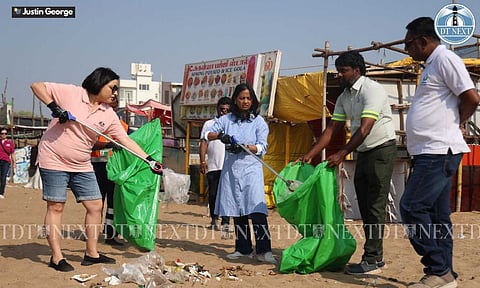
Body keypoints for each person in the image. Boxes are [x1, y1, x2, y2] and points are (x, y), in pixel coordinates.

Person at [30, 67, 163, 272]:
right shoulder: (73, 93)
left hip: (81, 163)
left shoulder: (108, 114)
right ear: (99, 83)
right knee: (56, 207)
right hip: (53, 158)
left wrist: (149, 160)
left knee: (95, 206)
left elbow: (124, 140)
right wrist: (55, 108)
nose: (115, 93)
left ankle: (91, 253)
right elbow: (37, 86)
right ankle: (56, 257)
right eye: (113, 88)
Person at [298, 51, 397, 275]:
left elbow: (365, 128)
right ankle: (375, 257)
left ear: (357, 71)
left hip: (381, 150)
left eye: (343, 71)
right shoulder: (344, 97)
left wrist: (342, 153)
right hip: (363, 151)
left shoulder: (372, 90)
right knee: (365, 203)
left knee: (375, 204)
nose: (339, 75)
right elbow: (331, 129)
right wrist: (310, 154)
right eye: (339, 70)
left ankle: (372, 259)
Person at [400, 17, 480, 288]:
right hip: (428, 150)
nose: (407, 49)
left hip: (438, 149)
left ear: (423, 41)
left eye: (408, 44)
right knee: (436, 215)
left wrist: (456, 123)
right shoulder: (431, 65)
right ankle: (445, 276)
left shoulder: (445, 59)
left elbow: (471, 97)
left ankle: (438, 268)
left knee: (410, 207)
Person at [205, 83, 277, 264]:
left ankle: (264, 250)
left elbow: (262, 146)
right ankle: (243, 248)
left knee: (257, 210)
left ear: (253, 101)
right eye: (241, 98)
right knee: (238, 210)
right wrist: (221, 136)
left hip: (251, 170)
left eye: (248, 98)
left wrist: (246, 147)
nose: (245, 101)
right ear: (235, 100)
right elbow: (207, 133)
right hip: (231, 171)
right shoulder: (227, 119)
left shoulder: (258, 122)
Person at [91, 97, 129, 246]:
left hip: (114, 169)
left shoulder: (123, 126)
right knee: (95, 203)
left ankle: (110, 235)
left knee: (113, 204)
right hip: (97, 166)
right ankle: (92, 233)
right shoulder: (95, 122)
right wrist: (109, 144)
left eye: (112, 105)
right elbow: (91, 144)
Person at [199, 97, 232, 234]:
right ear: (217, 109)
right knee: (213, 194)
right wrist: (202, 161)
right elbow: (203, 142)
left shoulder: (233, 124)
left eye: (227, 110)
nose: (224, 112)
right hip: (213, 165)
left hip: (229, 166)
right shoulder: (209, 124)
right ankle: (214, 219)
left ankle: (226, 222)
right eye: (222, 109)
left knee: (227, 195)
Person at [0, 127, 16, 199]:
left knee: (3, 177)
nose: (4, 135)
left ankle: (1, 192)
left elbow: (12, 153)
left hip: (6, 162)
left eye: (5, 133)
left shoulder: (10, 143)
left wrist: (14, 163)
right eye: (2, 133)